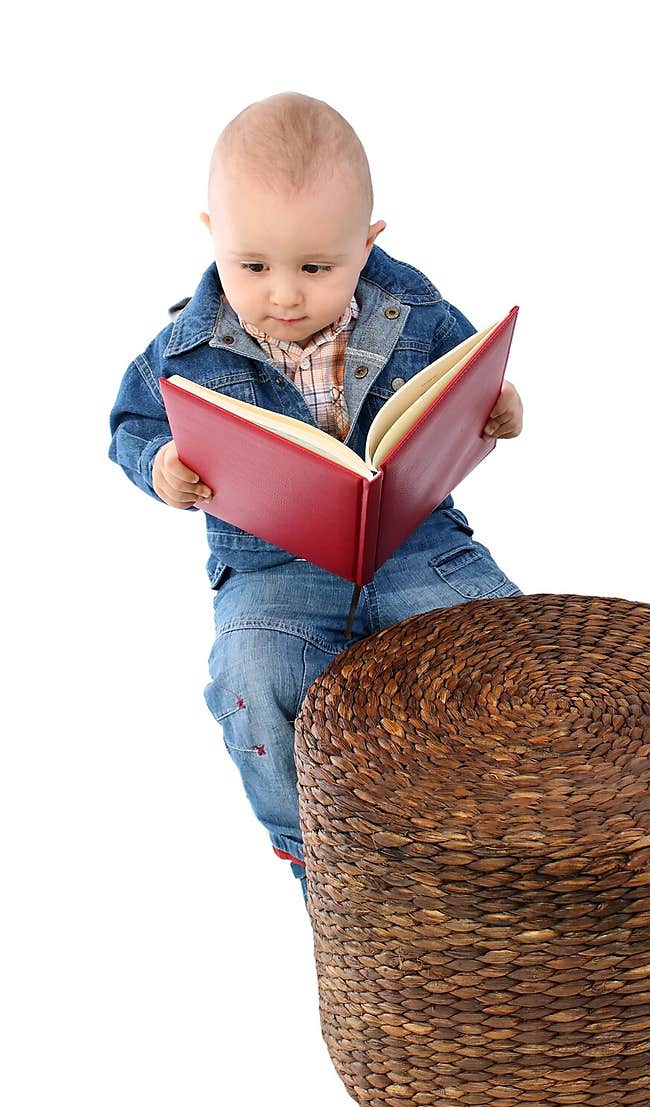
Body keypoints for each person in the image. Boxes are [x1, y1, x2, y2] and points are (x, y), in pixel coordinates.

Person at [108, 92, 524, 909]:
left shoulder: (416, 310)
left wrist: (499, 406)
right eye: (253, 265)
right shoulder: (184, 347)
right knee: (250, 673)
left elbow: (470, 377)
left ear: (366, 246)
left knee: (511, 646)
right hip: (273, 569)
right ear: (213, 238)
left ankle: (496, 827)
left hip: (415, 544)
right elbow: (130, 422)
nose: (284, 295)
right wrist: (160, 465)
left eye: (317, 267)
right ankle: (318, 850)